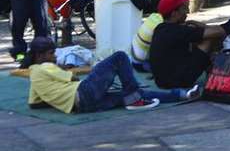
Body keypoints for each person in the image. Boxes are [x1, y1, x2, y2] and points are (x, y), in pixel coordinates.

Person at [23, 37, 199, 114]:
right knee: (120, 57)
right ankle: (135, 98)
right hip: (83, 93)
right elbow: (73, 78)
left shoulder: (34, 75)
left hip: (83, 106)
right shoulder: (44, 66)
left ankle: (183, 94)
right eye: (51, 53)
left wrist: (57, 97)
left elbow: (34, 104)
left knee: (134, 95)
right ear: (39, 56)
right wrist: (61, 70)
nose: (54, 57)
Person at [149, 0, 226, 89]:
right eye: (183, 9)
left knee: (197, 37)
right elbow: (219, 31)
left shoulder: (159, 28)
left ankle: (211, 69)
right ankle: (216, 71)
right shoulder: (178, 31)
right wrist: (198, 24)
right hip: (178, 82)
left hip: (161, 81)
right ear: (174, 13)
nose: (187, 12)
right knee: (209, 38)